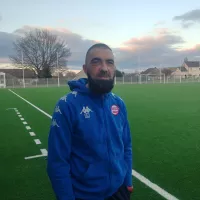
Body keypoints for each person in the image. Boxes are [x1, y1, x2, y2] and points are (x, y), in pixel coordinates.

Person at [47, 43, 133, 200]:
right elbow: (58, 162)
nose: (104, 68)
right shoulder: (67, 105)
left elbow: (126, 146)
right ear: (85, 69)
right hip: (84, 195)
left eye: (109, 62)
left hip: (119, 190)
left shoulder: (118, 103)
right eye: (96, 61)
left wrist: (127, 180)